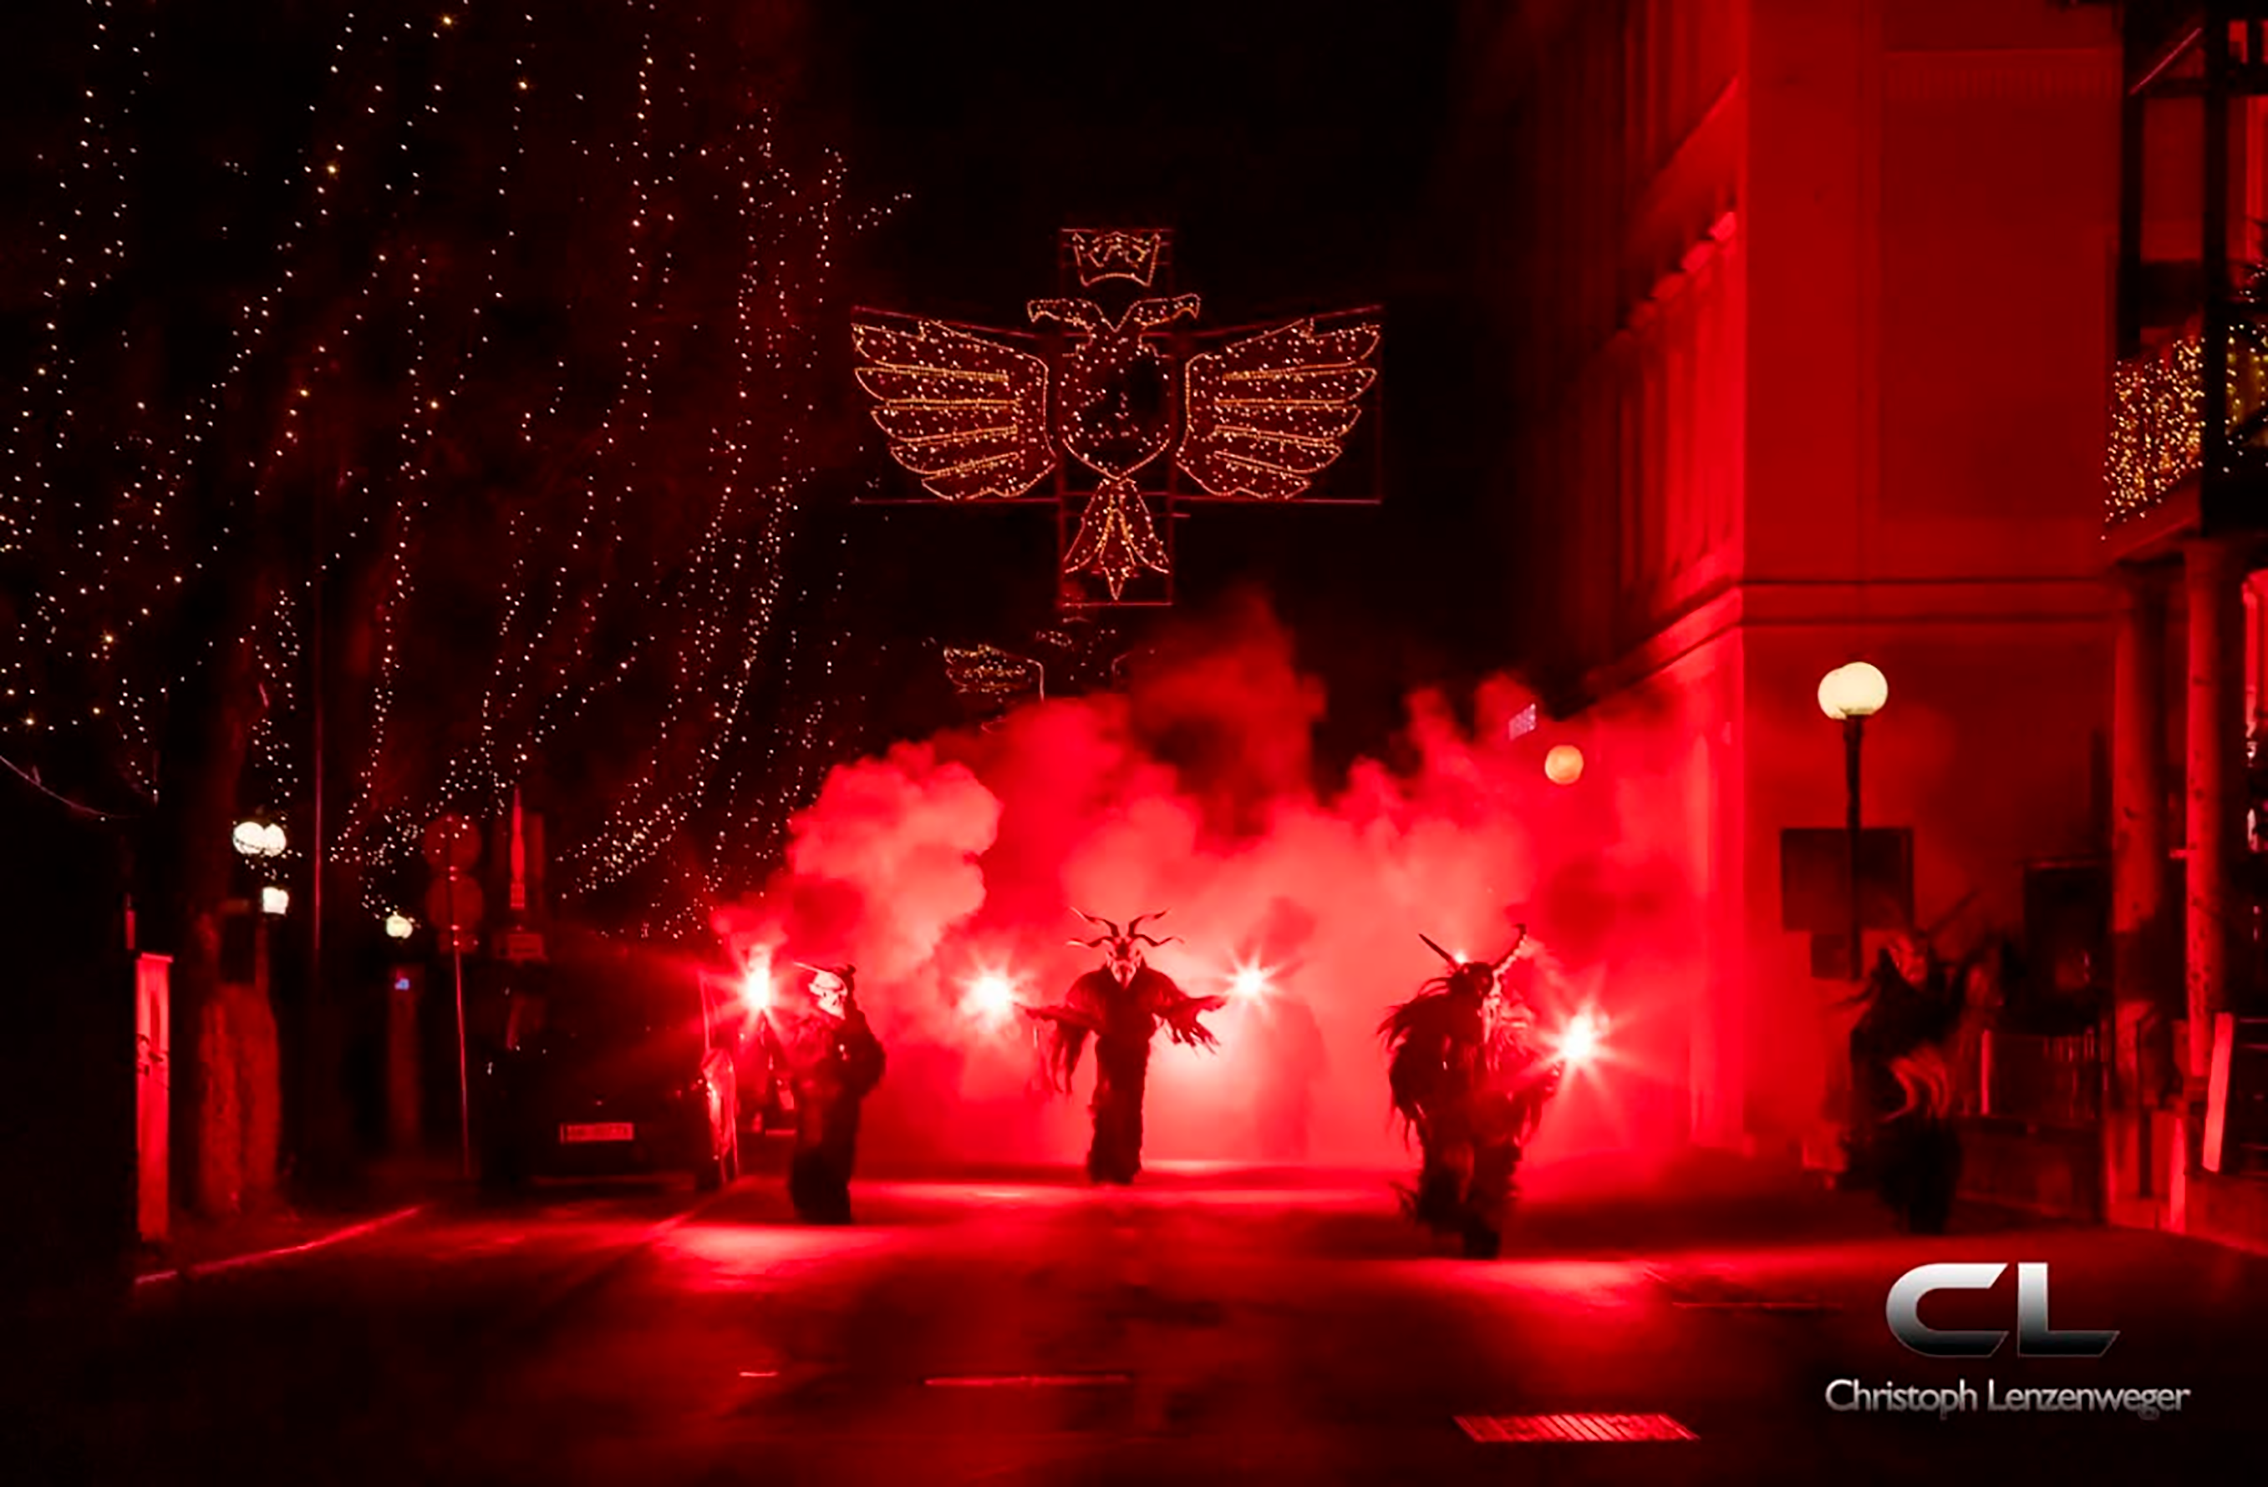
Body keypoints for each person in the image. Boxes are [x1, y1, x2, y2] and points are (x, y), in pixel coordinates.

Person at [1379, 926, 1565, 1259]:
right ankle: (1451, 1206)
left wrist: (1546, 1075)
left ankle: (1480, 1224)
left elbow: (1530, 1073)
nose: (1481, 1008)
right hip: (1451, 1114)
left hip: (1490, 1116)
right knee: (1453, 1165)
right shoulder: (1436, 1037)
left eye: (1489, 1000)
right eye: (1475, 1000)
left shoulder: (1506, 1037)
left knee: (1493, 1169)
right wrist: (1428, 1099)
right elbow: (1411, 1072)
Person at [1023, 909, 1225, 1184]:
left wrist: (1211, 1000)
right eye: (1118, 962)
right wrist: (1042, 1011)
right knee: (1107, 1100)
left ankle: (1125, 1163)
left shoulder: (1153, 983)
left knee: (1131, 1104)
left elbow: (1175, 1006)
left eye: (1129, 961)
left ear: (1138, 958)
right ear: (1109, 959)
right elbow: (1072, 1012)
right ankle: (1103, 1161)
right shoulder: (1091, 985)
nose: (1124, 968)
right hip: (1108, 1050)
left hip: (1137, 1052)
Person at [1848, 930, 1966, 1233]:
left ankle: (1927, 1212)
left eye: (1923, 957)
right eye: (1912, 958)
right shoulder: (1885, 1014)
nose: (1920, 965)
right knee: (1903, 1151)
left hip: (1927, 1107)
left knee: (1939, 1152)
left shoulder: (1931, 1001)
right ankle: (1908, 1207)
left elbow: (1941, 1022)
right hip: (1897, 1104)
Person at [761, 963, 885, 1223]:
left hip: (841, 1103)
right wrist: (767, 1021)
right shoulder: (809, 1023)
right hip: (812, 1101)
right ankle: (809, 1204)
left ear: (837, 992)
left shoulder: (854, 1028)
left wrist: (850, 1085)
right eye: (815, 985)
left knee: (836, 1152)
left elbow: (872, 1062)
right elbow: (788, 1049)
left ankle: (832, 1205)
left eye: (821, 986)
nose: (814, 989)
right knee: (809, 1151)